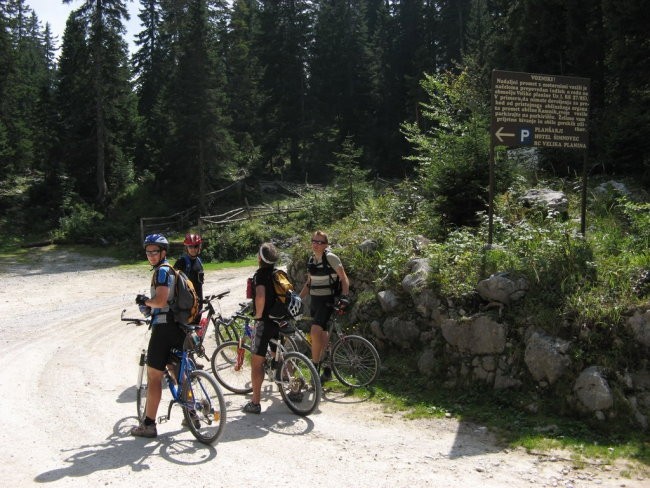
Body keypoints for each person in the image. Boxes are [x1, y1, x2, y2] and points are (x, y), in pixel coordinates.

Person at [131, 233, 187, 438]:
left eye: (155, 251)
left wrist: (146, 301)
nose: (151, 255)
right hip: (178, 327)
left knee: (154, 376)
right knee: (178, 371)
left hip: (163, 329)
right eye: (148, 252)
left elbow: (161, 301)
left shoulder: (161, 272)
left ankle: (148, 425)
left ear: (163, 252)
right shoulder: (172, 270)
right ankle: (192, 413)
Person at [298, 231, 350, 383]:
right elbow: (309, 283)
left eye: (320, 242)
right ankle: (327, 369)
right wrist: (297, 298)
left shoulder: (331, 257)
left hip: (328, 300)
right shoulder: (312, 259)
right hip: (315, 301)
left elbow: (344, 278)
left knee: (315, 331)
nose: (316, 244)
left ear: (326, 244)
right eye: (314, 241)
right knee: (322, 334)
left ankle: (314, 369)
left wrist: (345, 297)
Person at [241, 242, 285, 414]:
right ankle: (292, 388)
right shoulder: (276, 273)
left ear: (260, 258)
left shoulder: (260, 275)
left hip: (265, 321)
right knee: (279, 353)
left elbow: (260, 296)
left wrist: (258, 316)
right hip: (280, 319)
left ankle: (255, 402)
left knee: (257, 362)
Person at [173, 233, 205, 321]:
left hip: (198, 302)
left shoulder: (199, 260)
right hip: (187, 304)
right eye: (190, 247)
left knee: (196, 329)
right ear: (186, 248)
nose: (193, 249)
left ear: (199, 247)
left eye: (195, 246)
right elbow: (173, 280)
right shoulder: (182, 261)